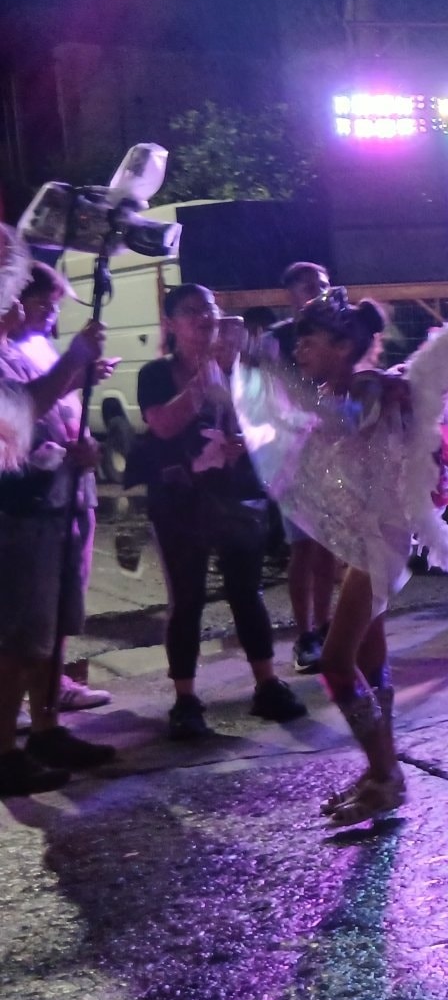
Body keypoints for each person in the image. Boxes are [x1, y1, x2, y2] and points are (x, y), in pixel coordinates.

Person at [236, 290, 448, 822]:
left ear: (342, 346)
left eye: (308, 342)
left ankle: (386, 775)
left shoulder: (368, 391)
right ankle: (380, 768)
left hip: (380, 542)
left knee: (336, 663)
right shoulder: (336, 390)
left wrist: (266, 376)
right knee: (368, 658)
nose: (300, 352)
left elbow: (338, 418)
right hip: (358, 539)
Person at [135, 285, 304, 739]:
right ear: (171, 324)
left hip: (237, 497)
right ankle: (186, 698)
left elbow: (271, 426)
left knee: (246, 593)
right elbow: (164, 425)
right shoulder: (156, 373)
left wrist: (244, 443)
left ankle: (267, 683)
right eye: (191, 313)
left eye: (209, 311)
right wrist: (201, 381)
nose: (204, 319)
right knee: (187, 599)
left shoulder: (242, 372)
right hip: (179, 502)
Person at [0, 282, 114, 793]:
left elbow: (49, 408)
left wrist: (79, 442)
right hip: (20, 512)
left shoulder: (16, 351)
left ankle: (45, 730)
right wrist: (73, 359)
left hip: (59, 502)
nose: (22, 306)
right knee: (17, 638)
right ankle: (3, 750)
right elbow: (20, 413)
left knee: (49, 630)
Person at [273, 262, 340, 672]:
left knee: (329, 544)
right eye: (310, 285)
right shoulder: (279, 338)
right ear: (291, 293)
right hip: (293, 455)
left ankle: (328, 621)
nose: (318, 291)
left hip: (333, 452)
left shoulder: (338, 334)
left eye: (324, 285)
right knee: (302, 545)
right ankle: (305, 634)